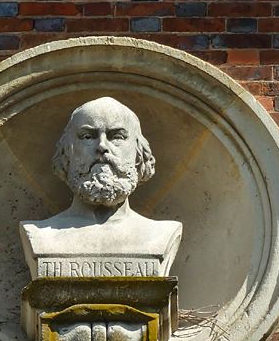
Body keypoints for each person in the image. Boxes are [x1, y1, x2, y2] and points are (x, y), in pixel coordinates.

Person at [19, 97, 182, 279]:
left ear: (139, 153)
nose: (102, 146)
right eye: (88, 136)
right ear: (67, 153)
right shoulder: (40, 235)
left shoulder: (161, 235)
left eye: (117, 136)